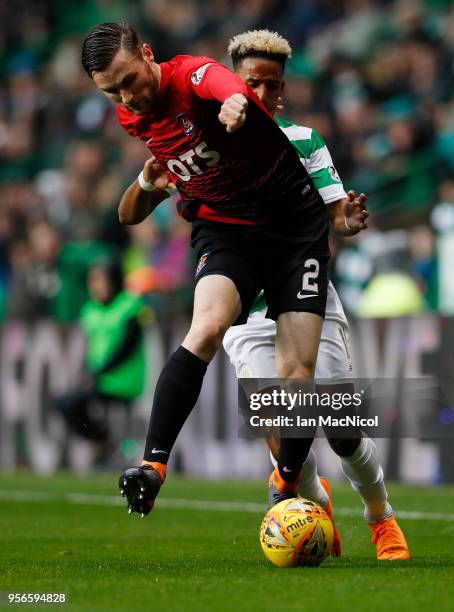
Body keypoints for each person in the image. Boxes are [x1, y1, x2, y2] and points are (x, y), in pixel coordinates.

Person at [81, 22, 345, 518]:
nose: (126, 97)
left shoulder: (193, 76)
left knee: (297, 373)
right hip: (226, 232)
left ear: (148, 53)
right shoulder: (130, 115)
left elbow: (225, 85)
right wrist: (150, 177)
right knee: (204, 327)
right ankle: (153, 467)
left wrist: (236, 103)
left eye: (129, 79)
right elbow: (129, 212)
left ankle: (287, 479)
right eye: (111, 91)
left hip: (292, 230)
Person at [222, 30, 409, 560]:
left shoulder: (304, 140)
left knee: (342, 429)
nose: (262, 93)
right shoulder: (207, 144)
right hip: (246, 307)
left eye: (272, 85)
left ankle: (381, 518)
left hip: (306, 300)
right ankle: (309, 505)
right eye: (251, 82)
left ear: (282, 89)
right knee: (282, 431)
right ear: (231, 82)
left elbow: (337, 216)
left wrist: (346, 219)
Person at [55, 259, 147, 463]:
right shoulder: (90, 310)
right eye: (92, 280)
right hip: (99, 379)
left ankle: (106, 443)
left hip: (123, 380)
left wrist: (97, 372)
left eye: (100, 280)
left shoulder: (130, 305)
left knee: (74, 404)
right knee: (65, 403)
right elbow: (87, 350)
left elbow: (127, 347)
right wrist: (85, 373)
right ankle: (105, 442)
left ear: (114, 280)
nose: (96, 286)